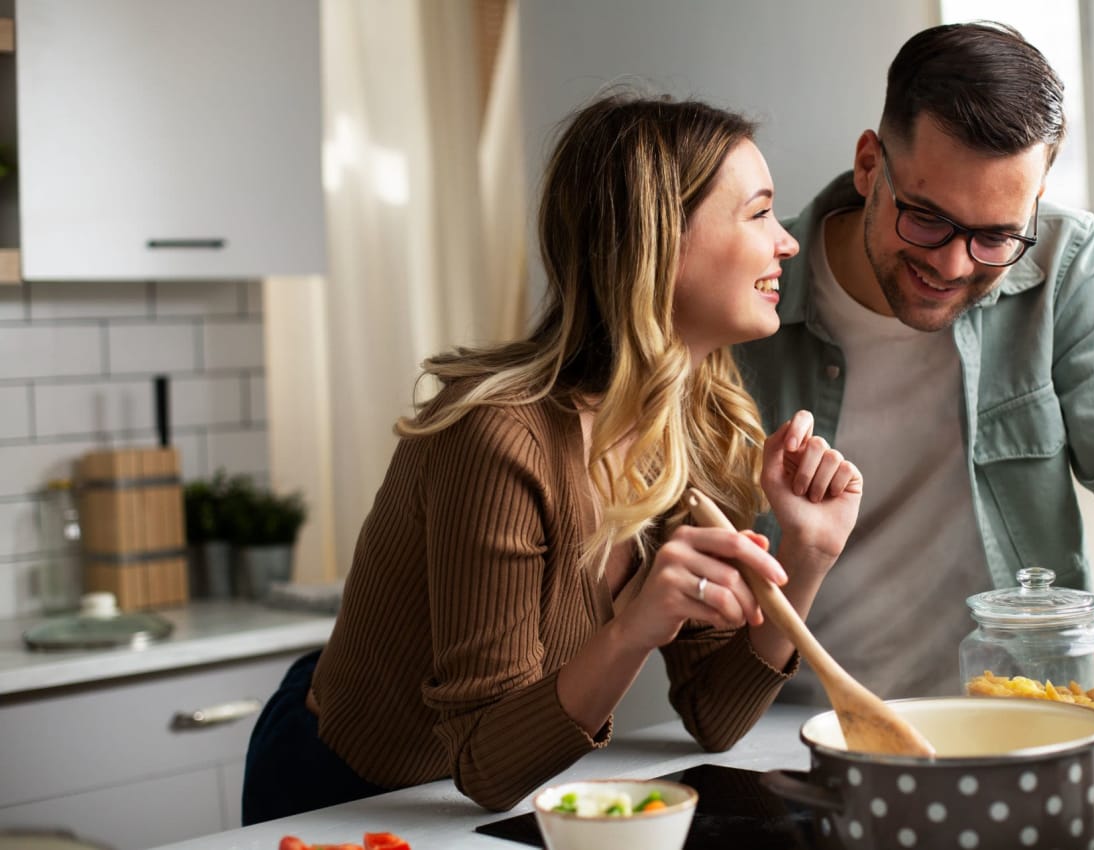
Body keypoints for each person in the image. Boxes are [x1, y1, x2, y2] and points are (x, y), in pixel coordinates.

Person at [242, 90, 863, 822]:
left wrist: (810, 554)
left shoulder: (695, 423)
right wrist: (632, 629)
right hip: (345, 795)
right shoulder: (497, 438)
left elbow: (717, 717)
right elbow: (484, 763)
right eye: (758, 213)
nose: (786, 241)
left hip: (477, 801)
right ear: (660, 241)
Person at [734, 22, 1094, 706]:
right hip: (798, 731)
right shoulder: (751, 287)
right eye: (926, 218)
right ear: (867, 166)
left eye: (996, 236)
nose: (951, 265)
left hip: (1023, 715)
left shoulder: (1063, 261)